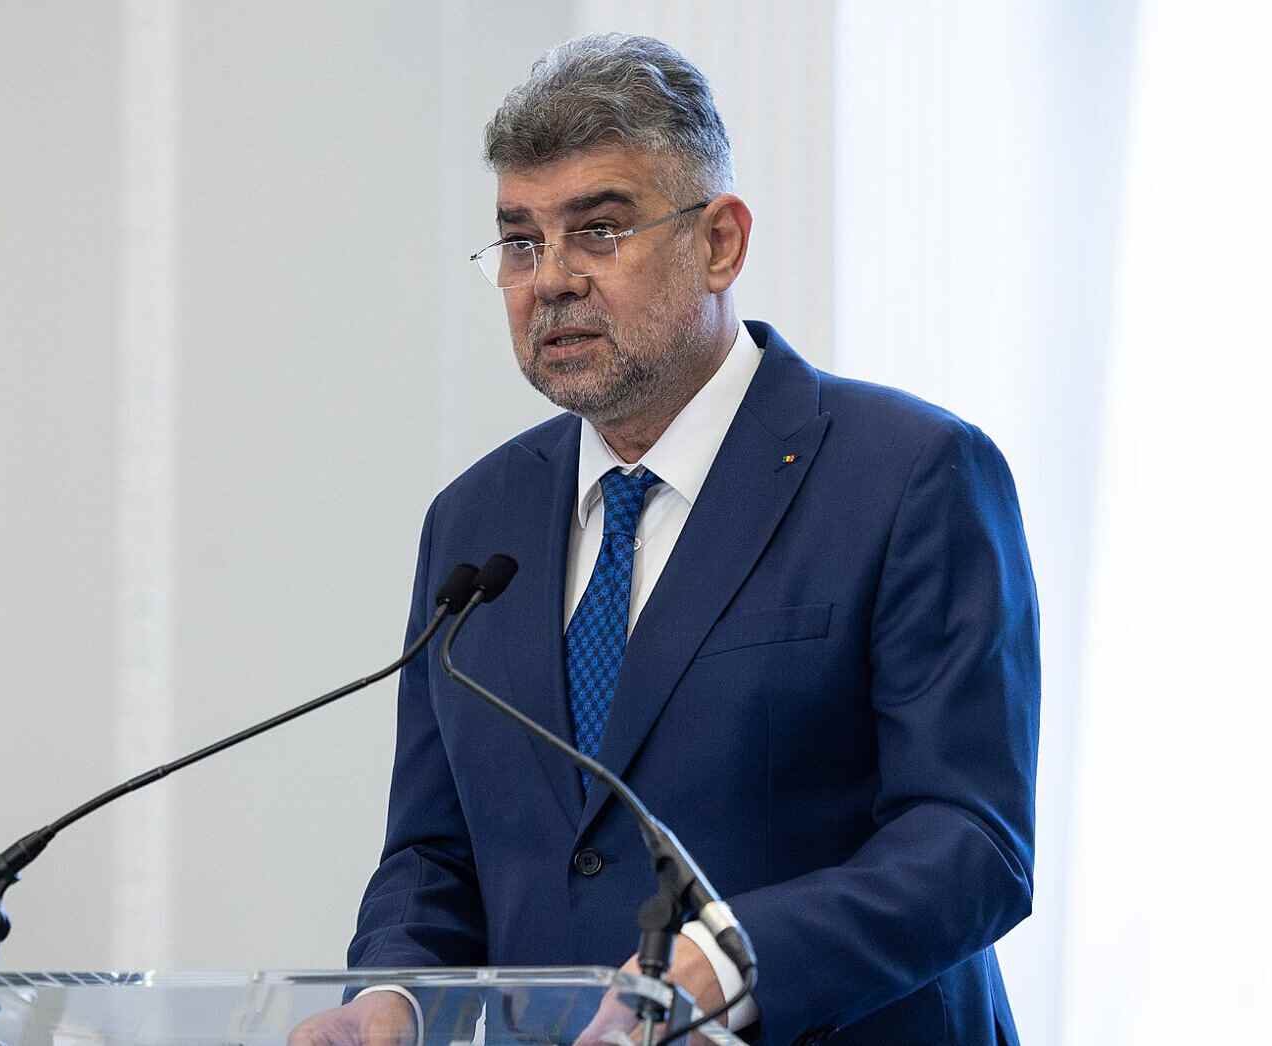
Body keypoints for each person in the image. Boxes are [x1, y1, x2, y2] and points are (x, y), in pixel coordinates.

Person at [290, 33, 1038, 1046]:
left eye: (598, 230)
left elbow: (970, 841)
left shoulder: (908, 473)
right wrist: (397, 993)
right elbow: (433, 853)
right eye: (520, 241)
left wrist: (733, 960)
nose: (551, 279)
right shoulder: (473, 520)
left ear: (719, 242)